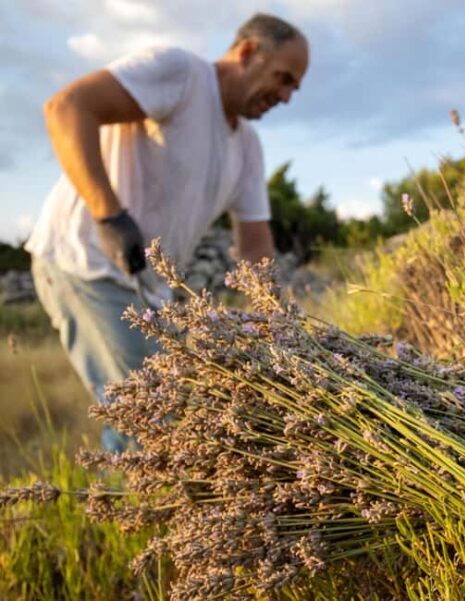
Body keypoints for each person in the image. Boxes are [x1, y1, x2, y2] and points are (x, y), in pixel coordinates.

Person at [25, 13, 309, 452]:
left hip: (149, 288)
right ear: (249, 52)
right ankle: (130, 515)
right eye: (284, 78)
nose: (288, 96)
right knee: (150, 416)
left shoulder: (247, 148)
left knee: (187, 413)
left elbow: (255, 245)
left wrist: (277, 324)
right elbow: (66, 108)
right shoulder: (181, 74)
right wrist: (109, 215)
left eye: (295, 87)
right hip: (86, 261)